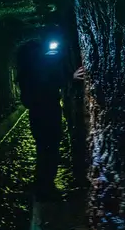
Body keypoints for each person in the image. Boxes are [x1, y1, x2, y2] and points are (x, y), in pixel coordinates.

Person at [16, 38, 85, 201]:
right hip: (48, 114)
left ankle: (43, 186)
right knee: (50, 151)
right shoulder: (37, 72)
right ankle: (45, 189)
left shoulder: (25, 72)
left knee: (44, 151)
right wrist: (71, 77)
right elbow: (49, 84)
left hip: (37, 116)